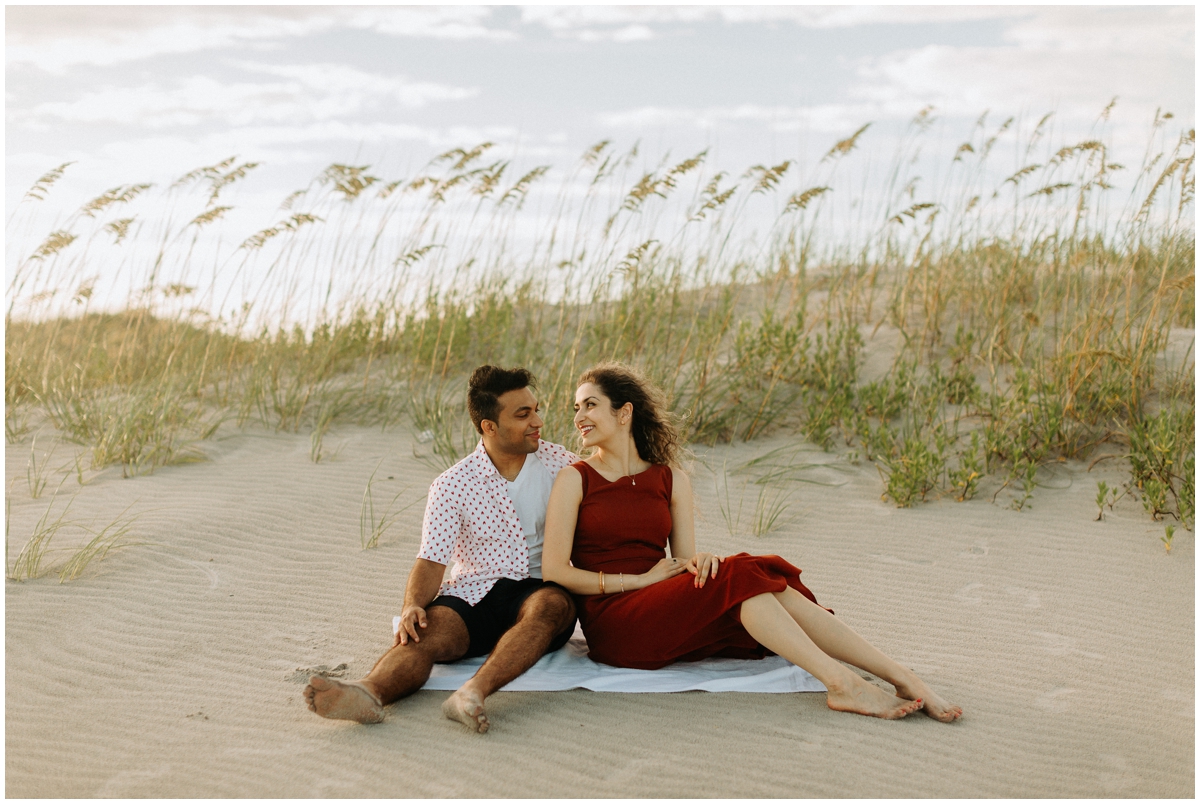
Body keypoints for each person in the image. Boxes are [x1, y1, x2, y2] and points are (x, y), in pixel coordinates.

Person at [542, 361, 962, 722]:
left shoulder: (672, 480)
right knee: (746, 574)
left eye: (590, 404)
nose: (579, 415)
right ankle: (842, 682)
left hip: (662, 606)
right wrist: (633, 582)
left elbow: (683, 563)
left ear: (624, 412)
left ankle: (900, 677)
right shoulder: (575, 478)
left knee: (746, 580)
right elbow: (555, 571)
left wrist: (699, 562)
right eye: (576, 408)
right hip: (617, 625)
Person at [304, 365, 579, 733]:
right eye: (523, 414)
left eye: (536, 409)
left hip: (539, 588)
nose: (538, 421)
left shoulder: (563, 465)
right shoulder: (452, 485)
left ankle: (471, 695)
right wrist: (412, 605)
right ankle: (367, 692)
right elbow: (431, 560)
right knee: (425, 630)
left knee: (550, 606)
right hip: (475, 592)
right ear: (488, 426)